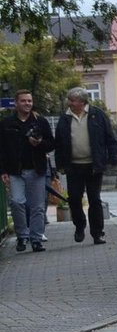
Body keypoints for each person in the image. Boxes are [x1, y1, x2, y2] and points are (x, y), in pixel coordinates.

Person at [53, 87, 117, 245]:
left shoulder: (97, 115)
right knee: (74, 198)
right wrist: (60, 164)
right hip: (73, 166)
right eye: (69, 100)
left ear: (82, 102)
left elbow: (110, 137)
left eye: (72, 100)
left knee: (94, 199)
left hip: (94, 165)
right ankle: (79, 225)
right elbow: (59, 142)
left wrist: (112, 157)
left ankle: (97, 233)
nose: (69, 102)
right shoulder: (65, 118)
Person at [1, 91, 54, 252]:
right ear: (16, 103)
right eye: (23, 101)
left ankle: (36, 238)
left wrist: (39, 143)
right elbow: (1, 149)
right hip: (14, 171)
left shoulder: (40, 122)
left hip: (36, 169)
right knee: (17, 202)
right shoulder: (6, 123)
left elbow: (52, 143)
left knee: (37, 206)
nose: (27, 104)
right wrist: (2, 170)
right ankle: (22, 236)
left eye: (30, 101)